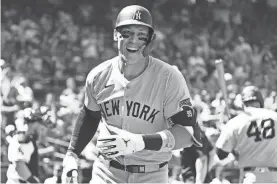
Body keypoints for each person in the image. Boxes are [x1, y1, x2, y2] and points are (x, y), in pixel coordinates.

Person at [61, 5, 202, 184]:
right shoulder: (98, 75)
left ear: (150, 40)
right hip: (106, 172)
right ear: (115, 34)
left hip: (152, 175)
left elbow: (187, 135)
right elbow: (89, 115)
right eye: (126, 33)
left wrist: (140, 142)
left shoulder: (169, 78)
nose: (133, 40)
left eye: (141, 35)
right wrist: (71, 154)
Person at [215, 85, 277, 183]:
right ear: (261, 101)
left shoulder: (236, 122)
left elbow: (221, 154)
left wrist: (234, 148)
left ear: (243, 103)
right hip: (275, 177)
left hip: (251, 176)